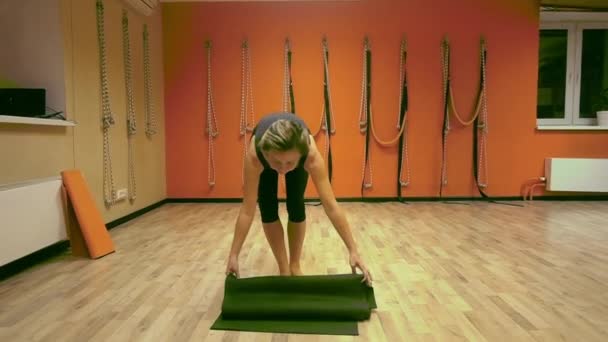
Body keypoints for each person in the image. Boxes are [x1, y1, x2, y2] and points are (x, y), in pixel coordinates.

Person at [225, 112, 373, 286]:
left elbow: (331, 206)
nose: (282, 169)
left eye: (289, 163)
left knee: (296, 204)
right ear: (266, 154)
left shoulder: (310, 156)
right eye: (277, 163)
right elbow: (247, 211)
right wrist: (233, 255)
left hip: (293, 155)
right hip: (271, 156)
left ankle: (294, 265)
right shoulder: (255, 156)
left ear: (300, 155)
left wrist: (353, 250)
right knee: (267, 208)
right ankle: (283, 269)